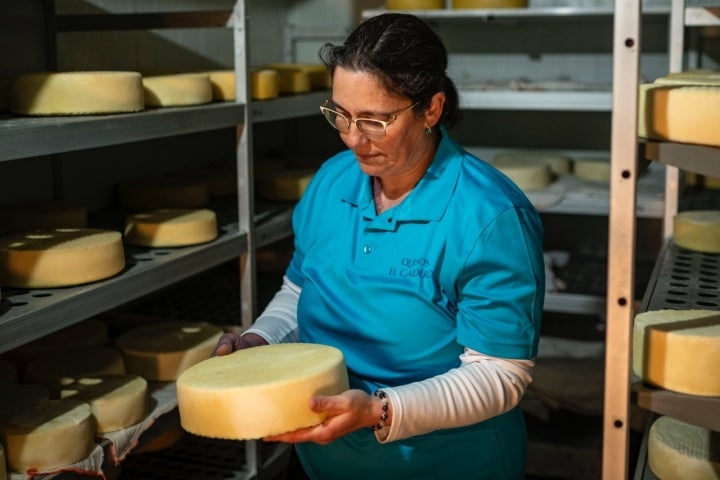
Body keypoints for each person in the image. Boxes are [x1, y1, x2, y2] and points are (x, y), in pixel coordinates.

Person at [214, 12, 545, 480]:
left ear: (431, 109)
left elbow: (500, 375)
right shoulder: (332, 181)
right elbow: (301, 289)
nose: (352, 138)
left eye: (374, 120)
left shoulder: (488, 217)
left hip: (444, 463)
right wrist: (260, 339)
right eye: (340, 115)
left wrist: (379, 410)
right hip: (327, 459)